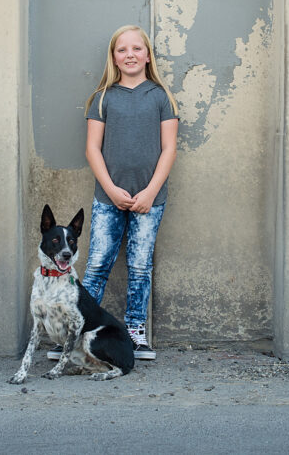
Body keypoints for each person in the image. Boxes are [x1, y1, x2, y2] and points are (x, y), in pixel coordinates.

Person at [72, 25, 178, 361]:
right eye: (122, 50)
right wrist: (110, 189)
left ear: (148, 55)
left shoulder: (161, 97)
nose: (129, 55)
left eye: (136, 49)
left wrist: (149, 192)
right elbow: (92, 149)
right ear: (114, 57)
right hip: (108, 199)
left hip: (150, 199)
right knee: (98, 264)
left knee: (140, 265)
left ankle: (135, 331)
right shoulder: (104, 98)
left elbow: (169, 149)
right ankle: (78, 330)